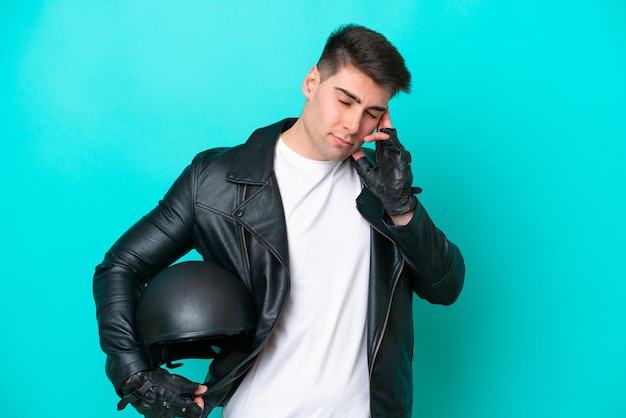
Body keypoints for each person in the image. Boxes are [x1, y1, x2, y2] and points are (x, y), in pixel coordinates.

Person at [93, 23, 465, 418]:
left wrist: (402, 208)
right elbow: (120, 266)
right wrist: (132, 372)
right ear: (311, 82)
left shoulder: (383, 188)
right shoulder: (215, 181)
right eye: (344, 101)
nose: (354, 126)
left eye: (372, 113)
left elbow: (446, 285)